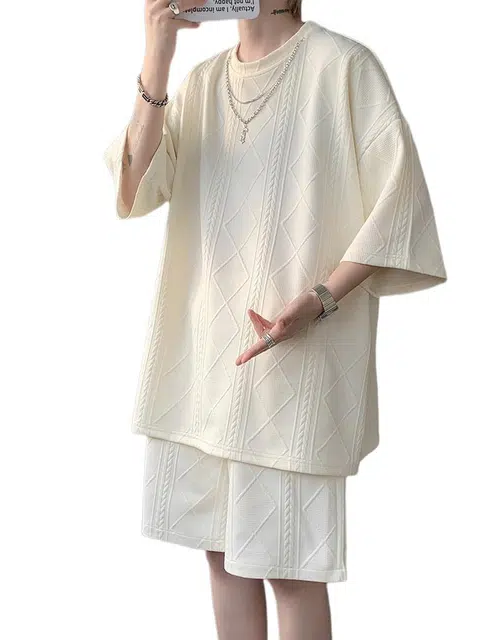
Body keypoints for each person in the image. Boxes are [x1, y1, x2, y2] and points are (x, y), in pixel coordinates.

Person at [103, 0, 447, 638]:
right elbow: (136, 187)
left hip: (299, 364)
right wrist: (158, 51)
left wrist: (319, 300)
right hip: (207, 361)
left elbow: (400, 204)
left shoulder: (342, 66)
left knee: (290, 569)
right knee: (221, 557)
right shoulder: (203, 81)